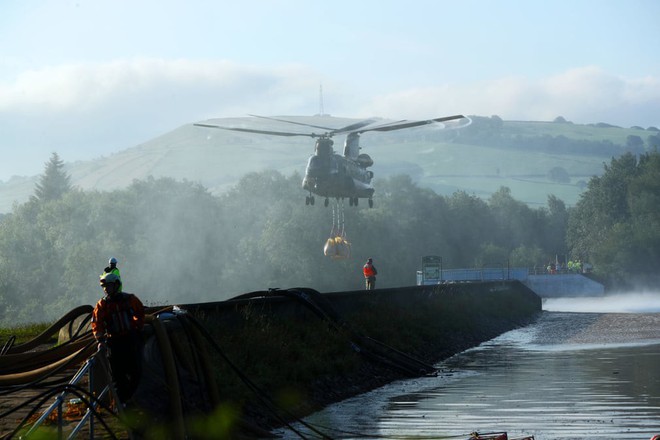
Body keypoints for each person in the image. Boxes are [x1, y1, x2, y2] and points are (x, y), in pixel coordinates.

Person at [92, 272, 145, 404]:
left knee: (136, 372)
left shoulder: (129, 299)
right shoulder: (101, 305)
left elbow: (140, 312)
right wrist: (100, 340)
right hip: (114, 343)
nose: (106, 289)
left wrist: (137, 326)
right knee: (118, 376)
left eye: (108, 286)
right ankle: (122, 405)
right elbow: (96, 324)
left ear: (116, 285)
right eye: (104, 287)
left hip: (130, 340)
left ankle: (127, 400)